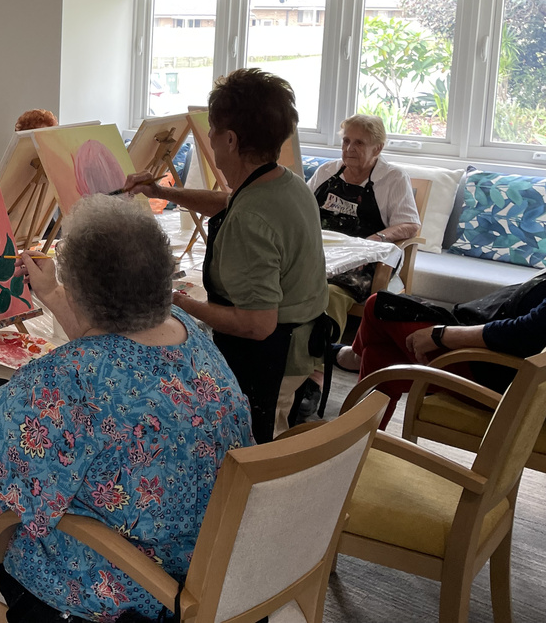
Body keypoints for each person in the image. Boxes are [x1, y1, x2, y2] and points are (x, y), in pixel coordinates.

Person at [0, 195, 252, 623]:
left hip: (143, 585)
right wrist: (49, 290)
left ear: (82, 293)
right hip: (214, 554)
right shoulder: (187, 330)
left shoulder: (77, 376)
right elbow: (110, 330)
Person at [123, 68, 328, 444]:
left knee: (256, 454)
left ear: (230, 139)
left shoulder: (252, 219)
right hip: (301, 345)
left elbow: (257, 325)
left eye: (213, 131)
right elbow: (229, 203)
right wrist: (163, 193)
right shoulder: (284, 182)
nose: (211, 140)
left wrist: (176, 301)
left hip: (274, 357)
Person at [346, 281, 546, 427]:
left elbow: (525, 335)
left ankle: (354, 358)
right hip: (502, 369)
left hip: (494, 372)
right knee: (380, 358)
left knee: (378, 306)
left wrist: (441, 334)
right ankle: (359, 446)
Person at [314, 115, 420, 370]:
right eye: (346, 141)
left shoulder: (393, 178)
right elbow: (300, 209)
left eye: (359, 143)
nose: (349, 149)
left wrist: (377, 238)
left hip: (365, 259)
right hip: (323, 252)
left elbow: (411, 224)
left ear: (378, 148)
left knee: (329, 293)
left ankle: (316, 373)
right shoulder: (327, 171)